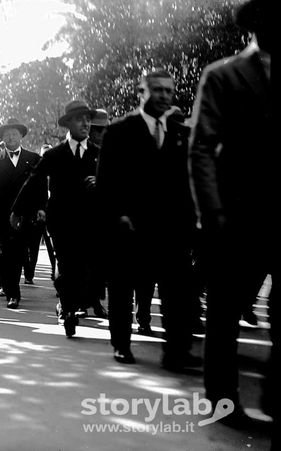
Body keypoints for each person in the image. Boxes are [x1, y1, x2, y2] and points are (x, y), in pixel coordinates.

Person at [189, 0, 274, 428]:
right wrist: (212, 212)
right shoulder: (224, 75)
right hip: (236, 214)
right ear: (257, 25)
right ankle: (223, 404)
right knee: (226, 312)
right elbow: (202, 145)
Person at [97, 69, 199, 368]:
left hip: (171, 228)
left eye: (169, 90)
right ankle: (122, 345)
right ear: (142, 93)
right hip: (129, 227)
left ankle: (176, 352)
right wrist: (118, 216)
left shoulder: (180, 133)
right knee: (123, 288)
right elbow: (106, 183)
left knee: (177, 290)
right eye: (157, 90)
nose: (165, 96)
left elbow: (188, 181)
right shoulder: (120, 131)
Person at [12, 100, 103, 337]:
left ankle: (71, 302)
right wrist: (17, 209)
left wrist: (101, 184)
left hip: (90, 222)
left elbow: (118, 184)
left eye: (88, 119)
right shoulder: (55, 154)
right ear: (68, 124)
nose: (85, 123)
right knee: (65, 264)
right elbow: (34, 180)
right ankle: (67, 308)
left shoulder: (98, 154)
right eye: (79, 119)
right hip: (61, 220)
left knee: (85, 267)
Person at [0, 118, 41, 309]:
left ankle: (10, 284)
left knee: (22, 253)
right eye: (7, 135)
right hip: (1, 216)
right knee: (7, 253)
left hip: (26, 216)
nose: (11, 137)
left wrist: (41, 209)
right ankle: (12, 293)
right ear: (2, 139)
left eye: (14, 134)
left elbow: (40, 187)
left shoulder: (34, 159)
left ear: (21, 136)